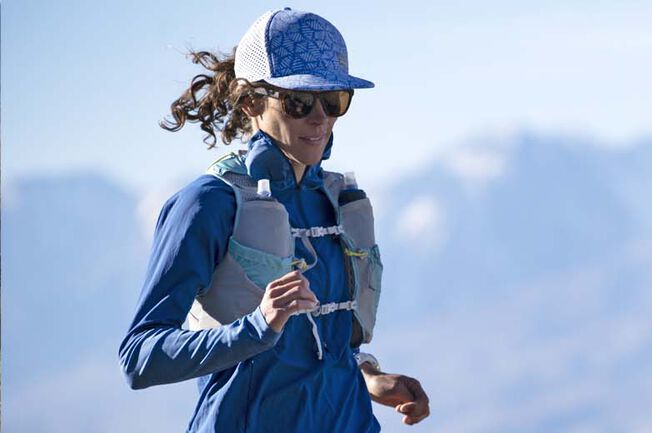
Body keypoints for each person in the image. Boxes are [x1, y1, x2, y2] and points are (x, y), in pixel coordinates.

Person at [118, 8, 429, 432]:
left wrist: (366, 375)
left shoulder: (336, 200)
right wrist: (256, 326)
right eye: (299, 101)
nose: (320, 118)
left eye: (334, 99)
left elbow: (318, 346)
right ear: (251, 102)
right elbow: (140, 358)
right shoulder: (208, 203)